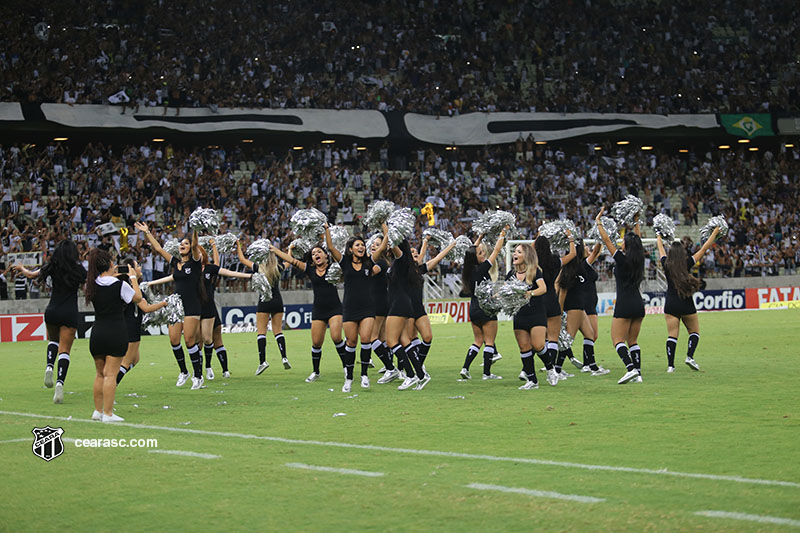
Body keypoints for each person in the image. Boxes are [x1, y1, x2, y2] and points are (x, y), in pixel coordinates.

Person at [13, 240, 86, 404]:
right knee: (65, 350)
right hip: (69, 312)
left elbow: (32, 275)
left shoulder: (51, 266)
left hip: (52, 310)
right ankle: (60, 384)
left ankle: (49, 367)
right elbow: (87, 287)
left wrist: (21, 268)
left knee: (53, 340)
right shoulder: (79, 270)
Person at [135, 222, 206, 389]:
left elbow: (195, 245)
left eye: (185, 243)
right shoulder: (175, 262)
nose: (182, 245)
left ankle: (198, 375)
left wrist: (195, 229)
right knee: (174, 340)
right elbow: (159, 250)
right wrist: (147, 232)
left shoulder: (195, 262)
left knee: (189, 340)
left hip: (192, 305)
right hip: (176, 306)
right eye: (181, 243)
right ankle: (184, 372)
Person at [270, 241, 348, 383]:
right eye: (313, 254)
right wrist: (275, 250)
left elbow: (341, 258)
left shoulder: (334, 268)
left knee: (336, 337)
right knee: (316, 342)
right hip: (318, 309)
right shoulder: (310, 270)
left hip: (335, 308)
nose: (316, 255)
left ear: (326, 255)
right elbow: (292, 261)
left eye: (319, 252)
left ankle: (346, 368)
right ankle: (316, 372)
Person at [326, 226, 388, 391]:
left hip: (368, 308)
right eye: (357, 245)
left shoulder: (369, 262)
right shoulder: (344, 262)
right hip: (349, 309)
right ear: (350, 249)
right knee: (351, 342)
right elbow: (331, 247)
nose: (361, 247)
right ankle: (349, 378)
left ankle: (364, 375)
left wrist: (384, 226)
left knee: (366, 339)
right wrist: (326, 229)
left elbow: (382, 247)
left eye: (362, 245)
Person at [85, 247, 142, 422]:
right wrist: (132, 278)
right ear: (111, 264)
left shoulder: (91, 283)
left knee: (99, 374)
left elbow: (104, 284)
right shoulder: (120, 285)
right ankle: (108, 413)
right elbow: (138, 298)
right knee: (111, 374)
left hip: (97, 333)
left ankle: (98, 411)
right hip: (115, 332)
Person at [657, 227, 720, 372]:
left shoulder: (666, 264)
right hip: (686, 302)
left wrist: (658, 235)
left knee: (672, 335)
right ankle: (689, 357)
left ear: (671, 252)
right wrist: (715, 233)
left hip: (671, 303)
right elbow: (704, 249)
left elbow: (660, 248)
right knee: (694, 331)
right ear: (682, 253)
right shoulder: (687, 263)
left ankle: (670, 366)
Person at [595, 208, 645, 384]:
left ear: (627, 245)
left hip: (624, 304)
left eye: (623, 241)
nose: (621, 243)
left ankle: (630, 369)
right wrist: (636, 221)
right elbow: (637, 240)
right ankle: (638, 373)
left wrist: (598, 222)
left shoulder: (622, 260)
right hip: (639, 304)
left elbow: (607, 240)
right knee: (633, 341)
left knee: (617, 340)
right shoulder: (640, 260)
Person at [459, 228, 508, 381]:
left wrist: (479, 238)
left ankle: (465, 368)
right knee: (489, 341)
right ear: (476, 258)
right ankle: (487, 374)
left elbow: (471, 252)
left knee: (477, 341)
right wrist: (502, 234)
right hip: (485, 308)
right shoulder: (482, 269)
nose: (484, 254)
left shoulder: (468, 269)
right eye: (480, 253)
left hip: (473, 308)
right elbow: (497, 250)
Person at [198, 241, 252, 378]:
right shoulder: (190, 270)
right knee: (199, 342)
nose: (197, 255)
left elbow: (222, 269)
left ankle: (223, 370)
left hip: (210, 309)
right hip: (196, 310)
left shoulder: (209, 268)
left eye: (199, 252)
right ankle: (202, 370)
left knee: (214, 340)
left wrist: (250, 276)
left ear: (203, 255)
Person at [407, 234, 458, 375]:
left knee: (427, 337)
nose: (416, 253)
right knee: (408, 340)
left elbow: (437, 258)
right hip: (406, 309)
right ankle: (404, 370)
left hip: (418, 308)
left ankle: (418, 365)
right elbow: (421, 255)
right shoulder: (402, 270)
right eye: (412, 252)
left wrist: (451, 246)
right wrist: (424, 242)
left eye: (416, 252)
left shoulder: (420, 269)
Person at [237, 239, 290, 377]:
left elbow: (242, 259)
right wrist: (290, 249)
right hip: (278, 301)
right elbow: (289, 262)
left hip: (264, 301)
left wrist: (238, 244)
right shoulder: (277, 268)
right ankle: (284, 357)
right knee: (278, 331)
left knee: (261, 332)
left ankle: (263, 362)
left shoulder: (259, 268)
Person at [384, 238, 429, 390]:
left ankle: (410, 375)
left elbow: (394, 245)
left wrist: (385, 226)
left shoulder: (401, 258)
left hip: (399, 304)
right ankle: (420, 376)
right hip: (401, 303)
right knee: (404, 340)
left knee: (391, 341)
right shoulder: (398, 263)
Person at [116, 258, 168, 385]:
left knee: (135, 359)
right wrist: (164, 303)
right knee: (126, 362)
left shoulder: (123, 285)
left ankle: (112, 378)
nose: (140, 267)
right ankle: (111, 384)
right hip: (131, 328)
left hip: (124, 326)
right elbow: (146, 308)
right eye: (137, 265)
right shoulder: (132, 288)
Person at [534, 233, 576, 380]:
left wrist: (537, 237)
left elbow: (531, 249)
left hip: (538, 301)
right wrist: (570, 239)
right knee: (553, 339)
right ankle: (552, 372)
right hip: (552, 299)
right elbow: (572, 254)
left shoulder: (533, 261)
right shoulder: (554, 261)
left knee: (537, 339)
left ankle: (526, 369)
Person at [507, 243, 549, 389]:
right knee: (524, 347)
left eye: (518, 252)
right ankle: (532, 381)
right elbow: (506, 292)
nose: (514, 254)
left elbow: (543, 288)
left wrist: (530, 293)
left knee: (538, 345)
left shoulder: (534, 271)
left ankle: (550, 369)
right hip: (519, 315)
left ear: (526, 256)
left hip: (536, 313)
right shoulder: (511, 275)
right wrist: (494, 299)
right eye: (514, 251)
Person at [578, 242, 610, 376]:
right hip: (586, 304)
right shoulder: (584, 263)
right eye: (585, 246)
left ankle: (587, 364)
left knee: (591, 335)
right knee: (591, 334)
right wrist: (601, 237)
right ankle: (589, 365)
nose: (588, 248)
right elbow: (596, 252)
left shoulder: (584, 264)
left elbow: (596, 253)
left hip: (589, 303)